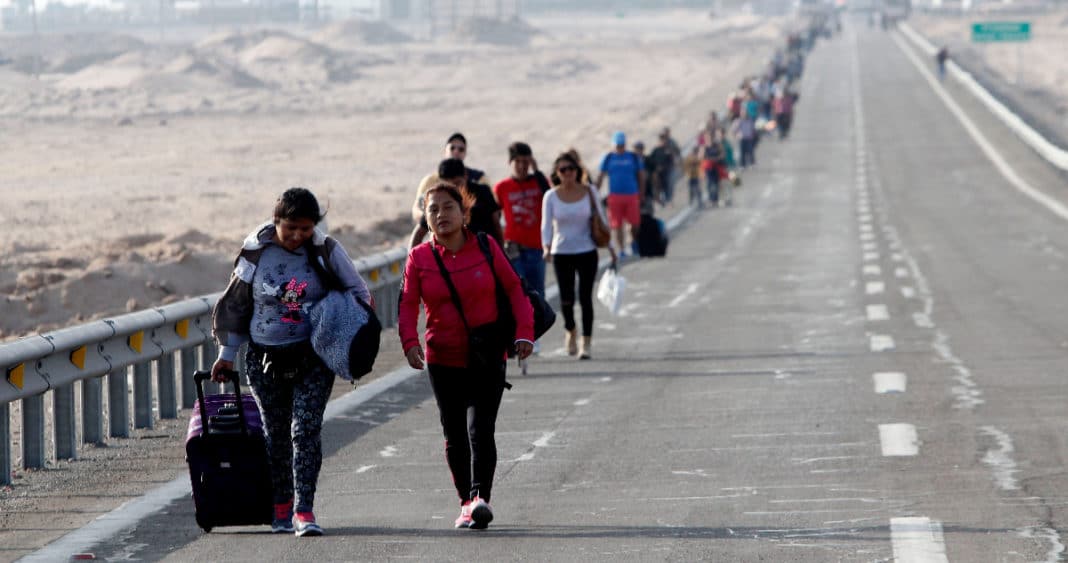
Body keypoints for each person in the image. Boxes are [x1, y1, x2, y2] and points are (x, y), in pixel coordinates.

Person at [211, 187, 372, 537]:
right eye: (290, 229)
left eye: (306, 229)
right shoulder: (255, 252)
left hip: (311, 357)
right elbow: (236, 305)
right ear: (276, 222)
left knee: (305, 431)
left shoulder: (326, 250)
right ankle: (280, 508)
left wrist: (352, 335)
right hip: (263, 358)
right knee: (276, 435)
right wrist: (226, 355)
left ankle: (304, 511)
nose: (298, 236)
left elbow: (358, 292)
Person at [399, 183, 534, 530]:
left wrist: (524, 332)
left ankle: (480, 498)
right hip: (443, 358)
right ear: (426, 219)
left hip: (487, 354)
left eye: (448, 207)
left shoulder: (486, 247)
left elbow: (514, 289)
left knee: (480, 429)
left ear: (464, 213)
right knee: (454, 432)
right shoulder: (420, 258)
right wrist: (409, 342)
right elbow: (408, 303)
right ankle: (464, 501)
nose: (441, 215)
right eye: (433, 210)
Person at [541, 153, 615, 360]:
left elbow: (601, 219)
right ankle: (570, 330)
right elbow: (546, 225)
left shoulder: (589, 191)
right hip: (561, 251)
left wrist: (610, 247)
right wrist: (545, 247)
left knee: (585, 298)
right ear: (557, 173)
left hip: (587, 250)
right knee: (566, 299)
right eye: (563, 170)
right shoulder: (551, 196)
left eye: (571, 169)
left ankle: (587, 342)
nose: (567, 174)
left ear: (578, 171)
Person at [411, 158, 502, 248]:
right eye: (449, 185)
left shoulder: (482, 192)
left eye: (458, 183)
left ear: (465, 176)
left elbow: (496, 223)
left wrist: (501, 251)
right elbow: (419, 233)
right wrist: (412, 259)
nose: (455, 189)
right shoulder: (436, 199)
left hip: (485, 251)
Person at [411, 132, 490, 226]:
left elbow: (492, 210)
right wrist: (429, 219)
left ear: (465, 153)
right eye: (452, 148)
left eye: (461, 149)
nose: (456, 151)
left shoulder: (478, 178)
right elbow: (417, 208)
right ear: (445, 151)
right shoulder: (430, 180)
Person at [594, 131, 645, 257]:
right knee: (617, 225)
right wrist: (594, 194)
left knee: (634, 224)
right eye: (617, 146)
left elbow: (641, 176)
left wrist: (641, 193)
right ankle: (621, 249)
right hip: (615, 196)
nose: (620, 148)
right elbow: (600, 177)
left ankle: (633, 242)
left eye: (622, 145)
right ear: (613, 145)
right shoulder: (608, 158)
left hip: (632, 195)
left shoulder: (632, 157)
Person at [649, 129, 680, 205]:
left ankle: (669, 199)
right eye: (661, 139)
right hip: (658, 172)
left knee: (668, 185)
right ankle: (661, 199)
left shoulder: (669, 148)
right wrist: (655, 168)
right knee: (658, 186)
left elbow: (673, 159)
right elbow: (651, 160)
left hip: (667, 171)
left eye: (663, 139)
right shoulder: (656, 150)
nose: (662, 141)